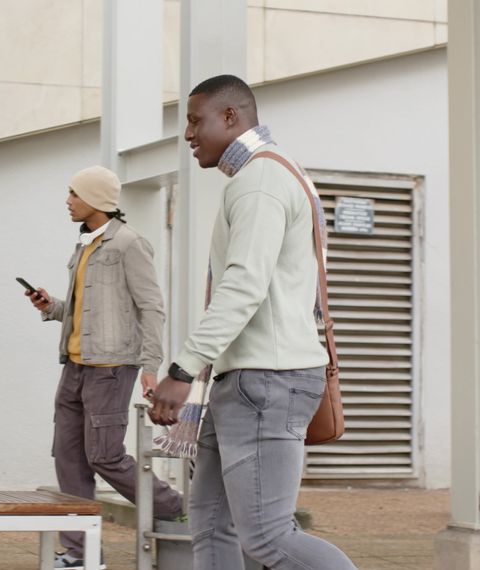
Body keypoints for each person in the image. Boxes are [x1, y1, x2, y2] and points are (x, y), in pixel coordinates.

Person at [149, 75, 357, 569]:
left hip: (266, 380)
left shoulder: (260, 180)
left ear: (230, 117)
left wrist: (182, 371)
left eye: (195, 121)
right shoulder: (274, 174)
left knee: (266, 537)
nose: (188, 134)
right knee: (212, 526)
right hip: (249, 378)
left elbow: (243, 286)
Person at [26, 165, 183, 569]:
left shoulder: (130, 244)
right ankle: (81, 555)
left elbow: (151, 307)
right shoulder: (85, 246)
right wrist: (52, 307)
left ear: (95, 199)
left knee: (105, 456)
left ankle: (178, 508)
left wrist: (151, 364)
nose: (68, 200)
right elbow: (84, 311)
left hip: (112, 369)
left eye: (74, 193)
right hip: (75, 367)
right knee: (69, 458)